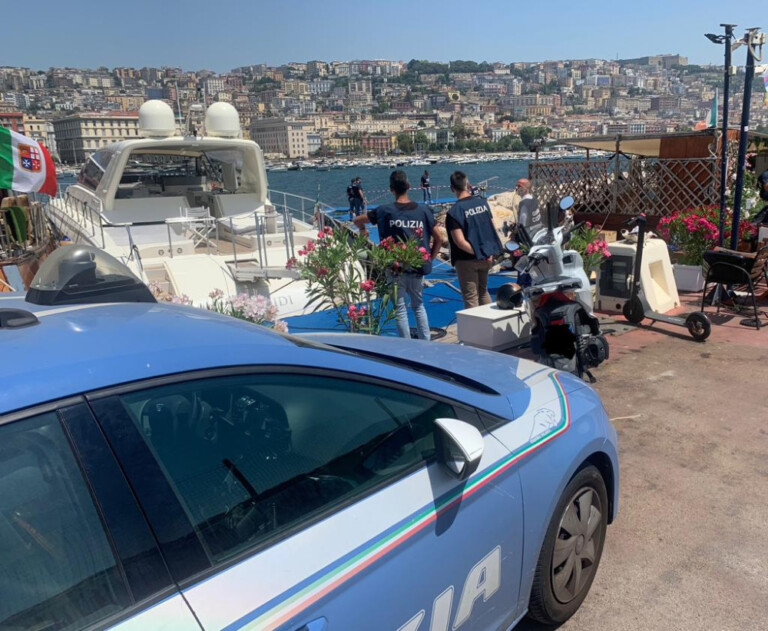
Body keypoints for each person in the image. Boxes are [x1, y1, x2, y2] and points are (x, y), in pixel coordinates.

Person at [354, 170, 442, 340]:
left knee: (400, 309)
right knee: (418, 306)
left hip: (394, 268)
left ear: (391, 189)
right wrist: (430, 258)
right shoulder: (423, 210)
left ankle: (407, 348)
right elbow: (439, 237)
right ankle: (427, 343)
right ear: (409, 187)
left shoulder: (384, 211)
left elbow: (357, 220)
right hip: (417, 266)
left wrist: (363, 231)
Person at [446, 171, 503, 308]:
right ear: (468, 185)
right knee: (483, 292)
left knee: (471, 297)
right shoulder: (482, 203)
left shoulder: (454, 212)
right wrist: (486, 253)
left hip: (467, 260)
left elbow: (460, 242)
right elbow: (491, 227)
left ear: (452, 188)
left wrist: (477, 253)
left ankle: (476, 329)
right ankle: (489, 325)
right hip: (486, 257)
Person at [515, 178, 543, 244]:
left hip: (529, 234)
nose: (516, 188)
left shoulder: (524, 203)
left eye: (519, 186)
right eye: (516, 186)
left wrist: (515, 231)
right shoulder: (533, 199)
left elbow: (522, 223)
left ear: (525, 188)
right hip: (538, 229)